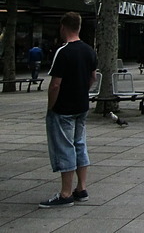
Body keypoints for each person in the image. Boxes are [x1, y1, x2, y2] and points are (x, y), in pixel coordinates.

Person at [40, 11, 97, 208]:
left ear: (63, 27)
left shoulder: (63, 52)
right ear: (79, 27)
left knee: (65, 147)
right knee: (80, 144)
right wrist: (83, 91)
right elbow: (93, 77)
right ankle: (81, 188)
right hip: (81, 106)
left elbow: (55, 84)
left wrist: (51, 106)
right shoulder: (90, 51)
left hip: (63, 108)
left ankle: (65, 193)